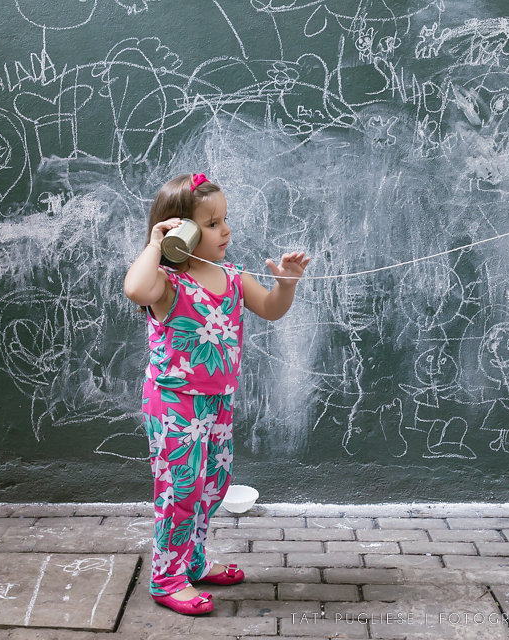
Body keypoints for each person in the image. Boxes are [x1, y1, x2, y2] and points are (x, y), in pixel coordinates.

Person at [123, 173, 310, 615]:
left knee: (211, 486)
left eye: (225, 220)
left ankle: (192, 562)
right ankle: (167, 579)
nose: (225, 230)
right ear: (179, 231)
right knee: (180, 490)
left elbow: (269, 310)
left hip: (216, 403)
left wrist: (286, 284)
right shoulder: (166, 284)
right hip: (173, 403)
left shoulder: (232, 275)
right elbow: (134, 288)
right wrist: (155, 245)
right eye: (211, 224)